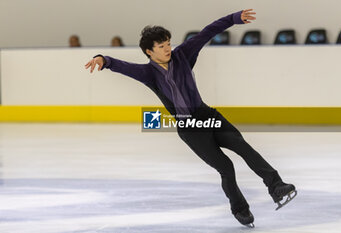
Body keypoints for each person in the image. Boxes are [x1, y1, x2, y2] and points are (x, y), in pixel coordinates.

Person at [85, 9, 297, 228]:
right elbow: (123, 67)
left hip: (208, 115)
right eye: (161, 46)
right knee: (226, 168)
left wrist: (233, 19)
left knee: (242, 146)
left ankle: (276, 186)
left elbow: (207, 32)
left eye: (168, 43)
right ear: (149, 51)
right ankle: (240, 210)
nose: (167, 48)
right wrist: (104, 59)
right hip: (191, 129)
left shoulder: (183, 54)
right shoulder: (148, 74)